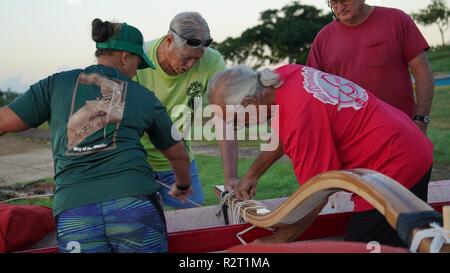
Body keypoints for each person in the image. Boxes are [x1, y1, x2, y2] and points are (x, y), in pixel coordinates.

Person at [0, 19, 193, 253]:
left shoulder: (54, 84)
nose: (135, 72)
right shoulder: (144, 96)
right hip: (133, 204)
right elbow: (178, 153)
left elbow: (3, 121)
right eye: (137, 63)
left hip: (75, 212)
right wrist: (182, 184)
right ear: (125, 56)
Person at [207, 64, 433, 247]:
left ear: (248, 103)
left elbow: (316, 194)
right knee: (407, 242)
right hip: (409, 145)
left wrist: (276, 241)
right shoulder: (284, 76)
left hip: (393, 168)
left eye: (234, 120)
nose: (236, 127)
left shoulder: (299, 119)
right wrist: (253, 174)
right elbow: (284, 133)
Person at [135, 12, 226, 209]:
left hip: (181, 161)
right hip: (136, 164)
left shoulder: (212, 61)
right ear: (169, 40)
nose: (191, 65)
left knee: (195, 220)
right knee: (141, 229)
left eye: (197, 59)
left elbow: (224, 118)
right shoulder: (137, 58)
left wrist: (231, 177)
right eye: (186, 58)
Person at [307, 0, 434, 134]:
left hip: (400, 131)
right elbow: (312, 93)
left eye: (345, 1)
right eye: (334, 3)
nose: (340, 7)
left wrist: (421, 120)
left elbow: (422, 72)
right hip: (350, 138)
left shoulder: (396, 20)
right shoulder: (322, 39)